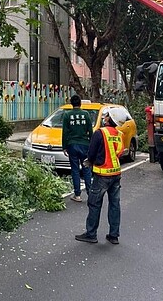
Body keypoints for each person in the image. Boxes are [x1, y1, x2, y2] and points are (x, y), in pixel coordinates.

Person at [75, 107, 125, 244]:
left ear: (110, 118)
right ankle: (114, 235)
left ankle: (91, 234)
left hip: (102, 174)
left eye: (107, 115)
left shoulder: (100, 133)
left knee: (94, 203)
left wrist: (89, 162)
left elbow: (91, 153)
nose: (105, 117)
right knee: (114, 204)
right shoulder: (119, 134)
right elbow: (119, 153)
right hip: (116, 174)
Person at [62, 94, 93, 202]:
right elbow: (90, 130)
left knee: (75, 170)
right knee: (86, 169)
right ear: (80, 103)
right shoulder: (86, 114)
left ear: (71, 103)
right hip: (85, 145)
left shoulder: (67, 115)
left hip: (72, 145)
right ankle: (90, 193)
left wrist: (64, 146)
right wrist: (91, 144)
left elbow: (65, 132)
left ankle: (77, 195)